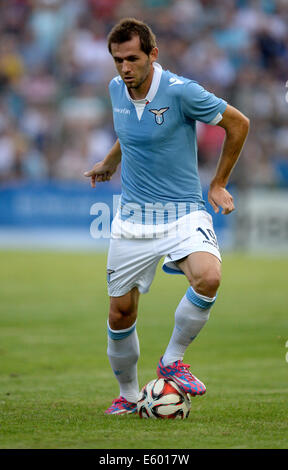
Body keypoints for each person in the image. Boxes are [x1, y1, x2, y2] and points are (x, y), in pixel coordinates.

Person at [84, 18, 249, 415]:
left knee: (208, 276)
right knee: (121, 312)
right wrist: (110, 161)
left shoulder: (181, 91)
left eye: (133, 59)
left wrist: (218, 183)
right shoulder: (115, 88)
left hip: (183, 212)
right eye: (118, 60)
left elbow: (238, 123)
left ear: (152, 55)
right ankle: (127, 396)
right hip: (132, 219)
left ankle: (172, 360)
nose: (125, 68)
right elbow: (130, 130)